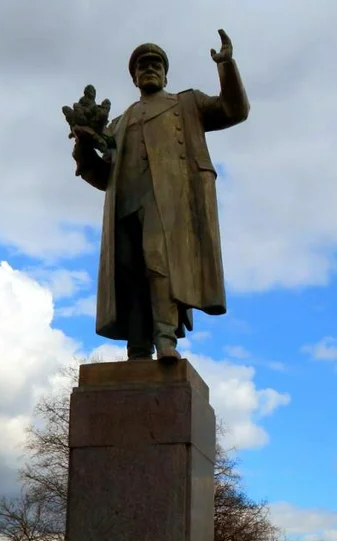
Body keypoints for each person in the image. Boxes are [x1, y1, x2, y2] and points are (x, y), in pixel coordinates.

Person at [69, 31, 249, 361]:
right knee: (129, 273)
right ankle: (138, 348)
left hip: (169, 202)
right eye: (141, 65)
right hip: (124, 205)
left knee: (159, 263)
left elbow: (233, 110)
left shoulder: (186, 104)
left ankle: (165, 338)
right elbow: (100, 176)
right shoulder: (120, 123)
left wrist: (226, 65)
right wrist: (82, 144)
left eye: (155, 64)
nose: (149, 68)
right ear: (134, 77)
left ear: (166, 73)